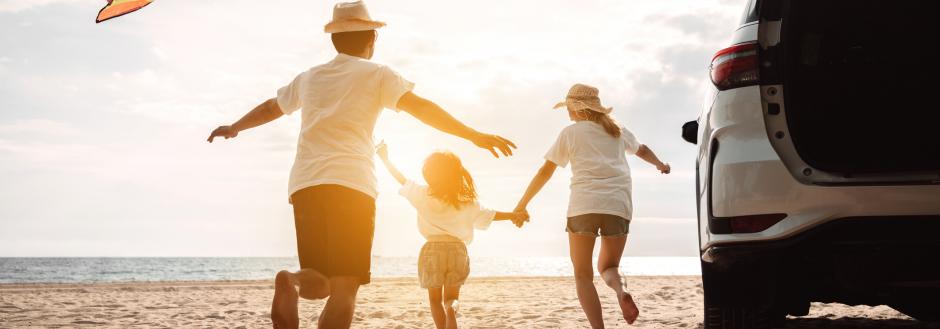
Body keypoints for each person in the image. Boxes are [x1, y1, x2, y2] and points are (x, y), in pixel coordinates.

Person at [205, 2, 516, 328]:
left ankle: (292, 281)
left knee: (318, 281)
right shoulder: (378, 74)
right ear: (372, 38)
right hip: (352, 185)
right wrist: (473, 134)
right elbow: (420, 107)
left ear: (334, 40)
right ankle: (294, 283)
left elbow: (273, 107)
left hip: (305, 185)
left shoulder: (310, 77)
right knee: (345, 286)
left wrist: (236, 126)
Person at [513, 83, 670, 328]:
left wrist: (522, 204)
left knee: (583, 275)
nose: (567, 113)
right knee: (609, 267)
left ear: (579, 109)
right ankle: (621, 291)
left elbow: (545, 171)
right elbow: (642, 150)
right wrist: (660, 164)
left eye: (568, 108)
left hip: (583, 207)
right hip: (617, 206)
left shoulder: (570, 133)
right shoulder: (617, 130)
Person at [376, 142, 527, 329]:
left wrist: (385, 159)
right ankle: (451, 310)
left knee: (434, 300)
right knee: (451, 298)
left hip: (432, 249)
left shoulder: (423, 194)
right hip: (457, 250)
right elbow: (491, 215)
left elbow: (402, 179)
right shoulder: (466, 201)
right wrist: (514, 215)